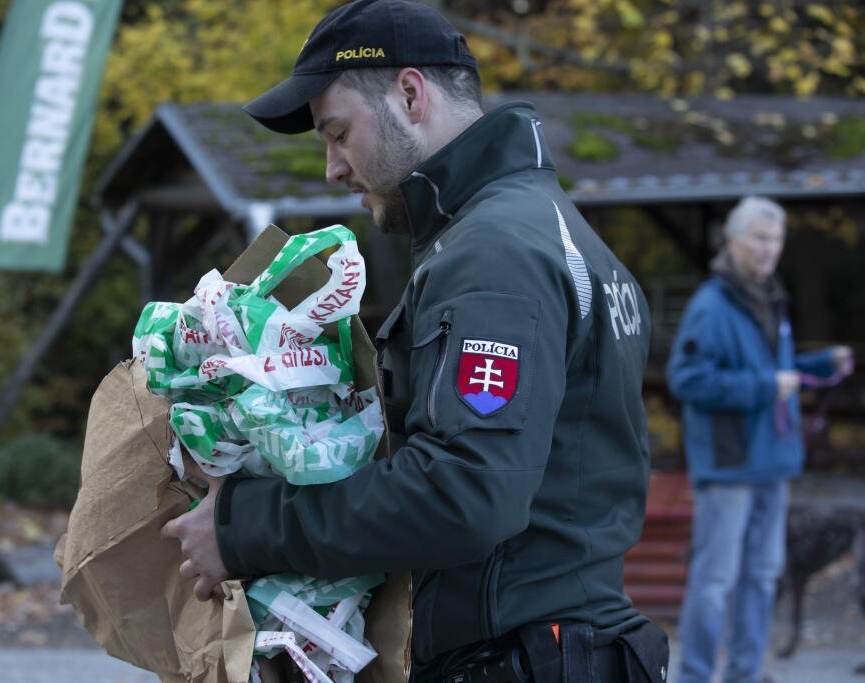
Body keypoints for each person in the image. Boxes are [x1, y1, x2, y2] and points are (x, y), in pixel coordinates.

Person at [161, 1, 669, 679]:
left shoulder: (496, 255)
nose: (332, 169)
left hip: (523, 659)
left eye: (337, 133)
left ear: (408, 94)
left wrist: (244, 527)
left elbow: (465, 491)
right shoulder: (543, 229)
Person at [667, 195, 854, 683]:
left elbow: (776, 370)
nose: (769, 249)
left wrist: (819, 365)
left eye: (776, 239)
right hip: (730, 467)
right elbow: (687, 379)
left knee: (762, 578)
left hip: (774, 464)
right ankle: (695, 675)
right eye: (760, 238)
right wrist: (764, 388)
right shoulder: (711, 306)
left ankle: (745, 675)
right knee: (714, 582)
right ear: (733, 240)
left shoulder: (771, 295)